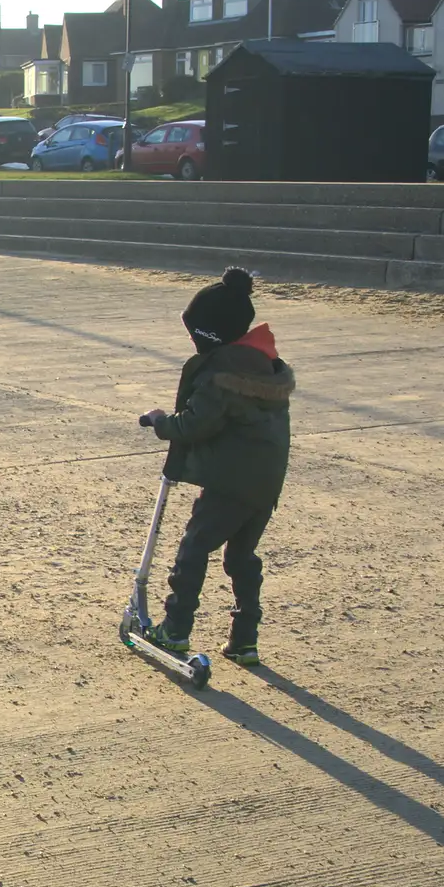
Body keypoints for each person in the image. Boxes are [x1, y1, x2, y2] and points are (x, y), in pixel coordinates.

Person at [138, 268, 294, 667]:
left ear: (209, 334)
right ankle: (245, 639)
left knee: (195, 547)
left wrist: (160, 422)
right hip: (265, 482)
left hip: (231, 480)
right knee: (241, 557)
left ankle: (175, 629)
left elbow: (194, 424)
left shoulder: (224, 375)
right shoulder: (262, 366)